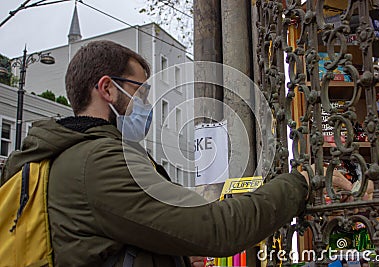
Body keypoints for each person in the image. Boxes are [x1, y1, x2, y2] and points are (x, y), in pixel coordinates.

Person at [1, 40, 309, 267]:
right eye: (142, 92)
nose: (147, 104)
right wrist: (299, 183)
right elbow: (219, 228)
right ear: (107, 89)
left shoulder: (62, 157)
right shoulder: (100, 162)